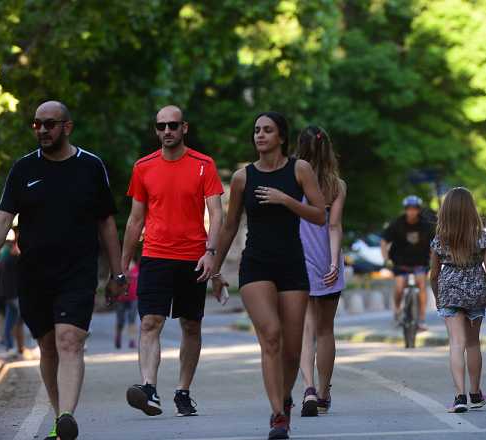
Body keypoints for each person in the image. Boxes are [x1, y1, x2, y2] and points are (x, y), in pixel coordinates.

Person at [0, 100, 126, 440]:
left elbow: (106, 222)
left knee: (69, 340)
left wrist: (117, 273)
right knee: (47, 345)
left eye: (50, 124)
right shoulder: (23, 169)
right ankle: (61, 417)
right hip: (33, 273)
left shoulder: (91, 166)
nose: (42, 130)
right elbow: (3, 217)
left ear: (67, 127)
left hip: (78, 270)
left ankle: (66, 416)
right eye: (37, 124)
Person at [211, 112, 326, 439]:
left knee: (292, 350)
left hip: (292, 263)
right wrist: (215, 267)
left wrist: (286, 200)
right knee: (271, 335)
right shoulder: (242, 177)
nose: (260, 135)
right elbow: (231, 225)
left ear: (281, 137)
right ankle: (277, 415)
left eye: (267, 130)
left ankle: (285, 399)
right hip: (256, 264)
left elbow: (319, 215)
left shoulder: (299, 170)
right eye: (257, 131)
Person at [122, 105, 223, 418]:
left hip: (193, 257)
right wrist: (122, 264)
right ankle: (149, 389)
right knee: (151, 322)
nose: (167, 131)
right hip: (155, 256)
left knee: (191, 325)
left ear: (184, 128)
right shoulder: (143, 167)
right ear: (156, 130)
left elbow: (217, 213)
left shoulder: (204, 165)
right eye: (161, 126)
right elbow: (135, 219)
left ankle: (182, 391)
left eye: (173, 126)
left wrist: (211, 252)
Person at [429, 187, 486, 413]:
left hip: (449, 291)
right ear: (471, 210)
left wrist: (438, 297)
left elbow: (433, 274)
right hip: (475, 291)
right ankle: (475, 393)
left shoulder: (439, 239)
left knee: (456, 343)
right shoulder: (482, 238)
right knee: (473, 343)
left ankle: (459, 397)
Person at [295, 127, 347, 418]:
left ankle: (308, 388)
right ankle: (325, 392)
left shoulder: (292, 180)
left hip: (299, 261)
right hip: (328, 261)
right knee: (326, 331)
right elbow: (334, 227)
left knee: (306, 329)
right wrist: (333, 262)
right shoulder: (336, 185)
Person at [382, 195, 434, 331]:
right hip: (400, 262)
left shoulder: (426, 225)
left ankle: (422, 319)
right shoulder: (397, 223)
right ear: (405, 210)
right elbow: (384, 241)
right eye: (409, 209)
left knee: (421, 284)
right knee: (399, 286)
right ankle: (397, 311)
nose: (412, 212)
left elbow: (434, 244)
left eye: (415, 209)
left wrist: (435, 259)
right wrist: (386, 259)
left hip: (420, 262)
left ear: (418, 210)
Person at [0, 227, 26, 355]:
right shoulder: (9, 256)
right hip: (13, 293)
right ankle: (14, 346)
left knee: (13, 320)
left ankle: (13, 346)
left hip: (11, 293)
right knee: (18, 320)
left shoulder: (7, 256)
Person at [114, 255, 140, 350]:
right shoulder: (120, 268)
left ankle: (132, 340)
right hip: (120, 298)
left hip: (133, 298)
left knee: (132, 320)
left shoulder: (137, 268)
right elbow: (114, 280)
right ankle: (118, 337)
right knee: (120, 321)